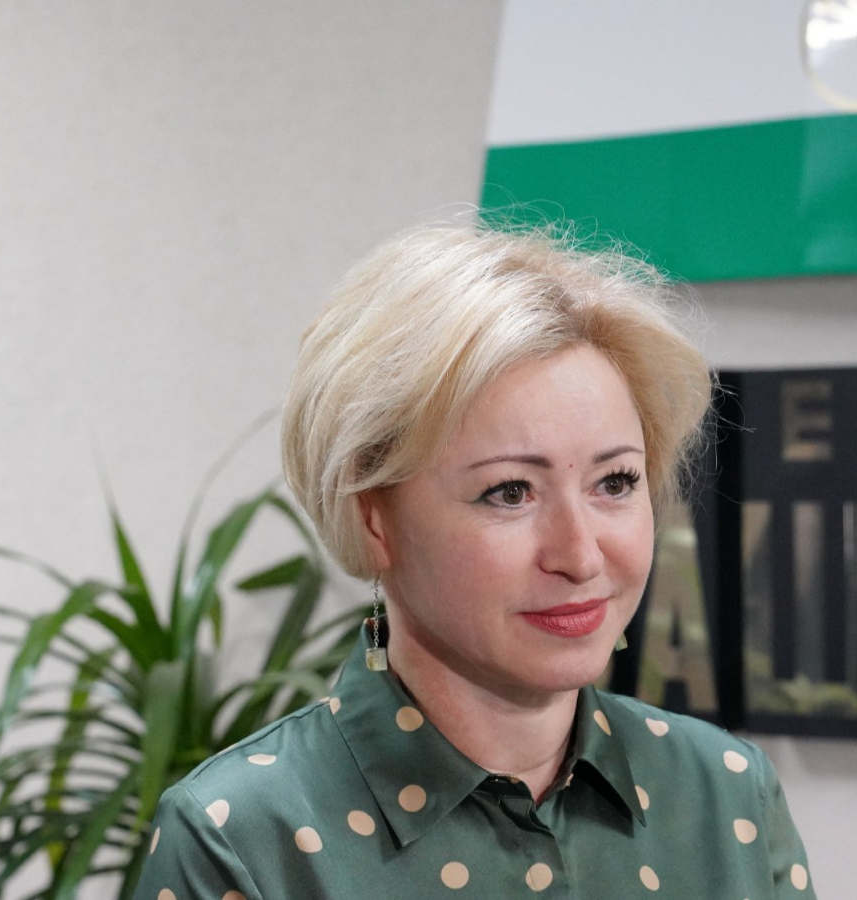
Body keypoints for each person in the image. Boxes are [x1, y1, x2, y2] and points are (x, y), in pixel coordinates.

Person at [134, 222, 817, 898]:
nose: (581, 556)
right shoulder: (242, 837)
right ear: (373, 520)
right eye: (510, 492)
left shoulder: (731, 793)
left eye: (614, 482)